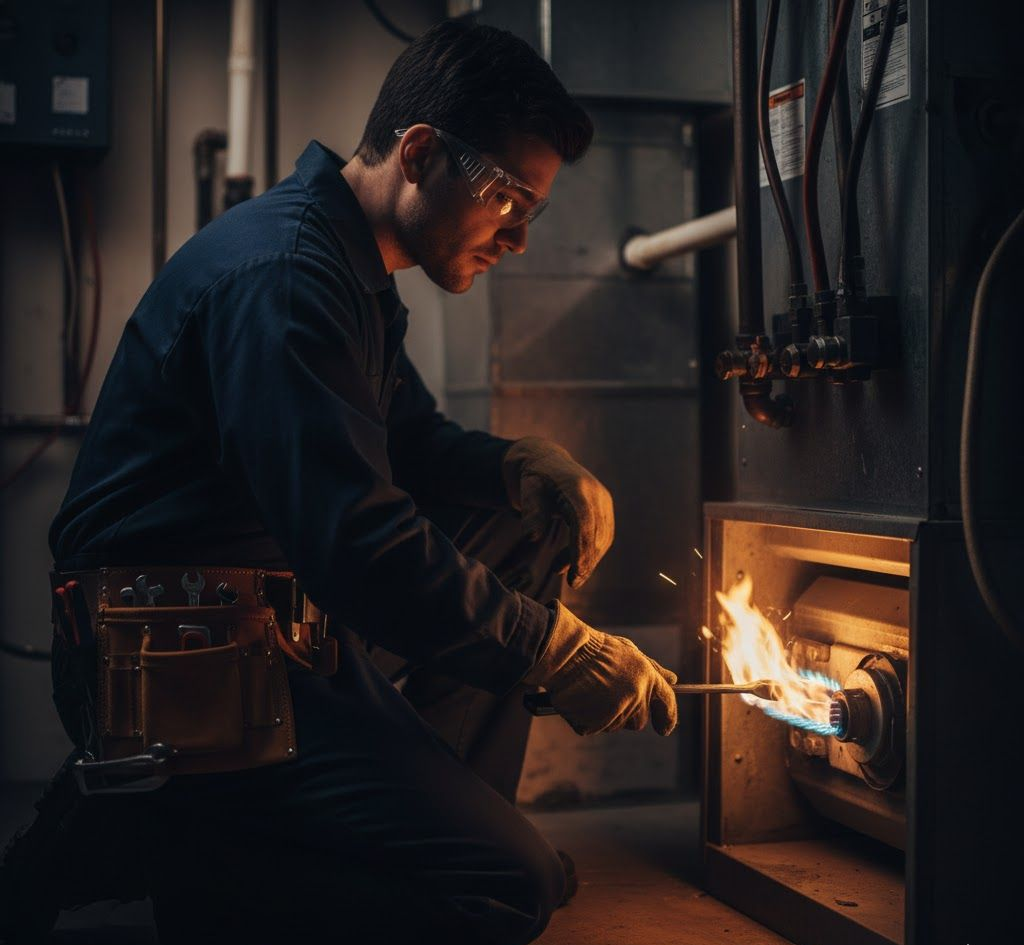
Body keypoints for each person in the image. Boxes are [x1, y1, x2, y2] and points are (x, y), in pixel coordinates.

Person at [1, 19, 677, 945]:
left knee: (531, 522)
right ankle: (161, 846)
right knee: (499, 888)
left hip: (274, 614)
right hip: (171, 657)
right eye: (509, 197)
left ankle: (444, 823)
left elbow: (412, 442)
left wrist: (520, 466)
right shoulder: (286, 278)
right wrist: (552, 647)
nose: (518, 236)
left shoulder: (348, 266)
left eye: (536, 210)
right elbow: (359, 544)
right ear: (421, 152)